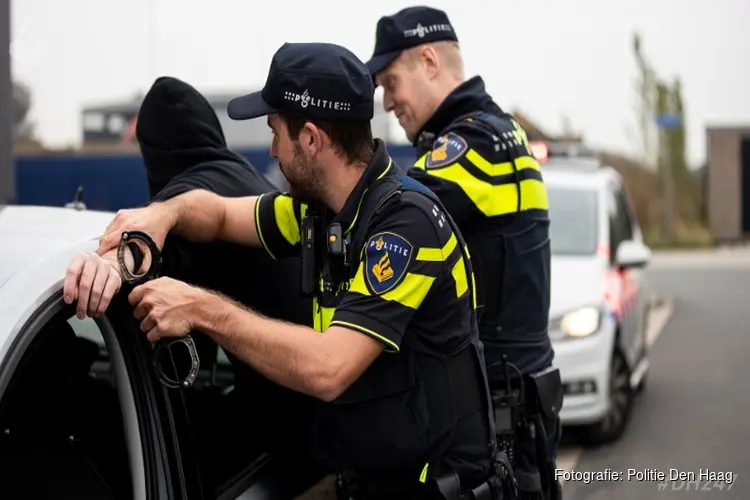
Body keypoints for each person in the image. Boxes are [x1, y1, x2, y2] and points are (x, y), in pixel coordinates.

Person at [69, 42, 513, 500]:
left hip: (435, 489)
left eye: (275, 131)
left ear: (312, 139)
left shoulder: (405, 225)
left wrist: (200, 308)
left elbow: (328, 368)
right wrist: (162, 215)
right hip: (367, 479)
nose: (273, 150)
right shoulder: (322, 213)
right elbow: (219, 214)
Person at [67, 75, 320, 494]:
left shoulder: (191, 193)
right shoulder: (245, 186)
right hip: (313, 424)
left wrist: (110, 264)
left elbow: (158, 246)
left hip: (294, 447)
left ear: (156, 155)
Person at [365, 7, 562, 499]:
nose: (387, 102)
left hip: (501, 414)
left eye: (391, 82)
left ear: (429, 60)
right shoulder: (494, 130)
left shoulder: (473, 145)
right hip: (514, 401)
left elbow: (388, 214)